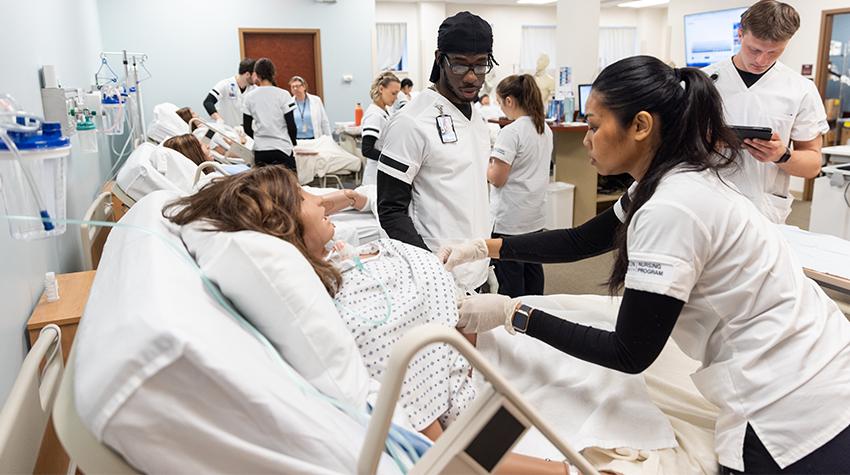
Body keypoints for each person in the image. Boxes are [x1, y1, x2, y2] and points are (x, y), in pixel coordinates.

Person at [441, 55, 850, 474]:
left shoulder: (672, 207)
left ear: (640, 125)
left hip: (791, 404)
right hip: (816, 358)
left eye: (595, 126)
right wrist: (483, 248)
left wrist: (514, 313)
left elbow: (628, 352)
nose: (587, 139)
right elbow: (582, 240)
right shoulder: (666, 180)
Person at [163, 166, 583, 475]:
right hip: (458, 371)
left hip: (459, 331)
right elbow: (445, 456)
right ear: (281, 223)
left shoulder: (333, 258)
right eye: (305, 196)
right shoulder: (363, 326)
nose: (318, 199)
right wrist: (568, 470)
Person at [377, 11, 497, 293]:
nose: (472, 77)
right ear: (439, 59)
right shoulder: (412, 122)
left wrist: (487, 263)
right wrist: (431, 270)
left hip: (477, 270)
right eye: (460, 65)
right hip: (436, 277)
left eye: (481, 65)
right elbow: (390, 209)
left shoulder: (478, 120)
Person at [703, 0, 828, 224]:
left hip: (764, 210)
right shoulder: (703, 81)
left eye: (774, 52)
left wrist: (781, 155)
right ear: (740, 34)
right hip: (705, 202)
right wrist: (704, 141)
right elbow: (668, 146)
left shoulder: (801, 89)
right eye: (754, 50)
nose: (761, 60)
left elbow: (813, 165)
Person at [488, 74, 552, 297]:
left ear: (509, 101)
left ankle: (512, 318)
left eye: (499, 102)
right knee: (533, 273)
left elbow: (497, 178)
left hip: (510, 220)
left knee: (510, 281)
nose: (500, 107)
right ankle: (536, 314)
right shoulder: (544, 129)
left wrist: (485, 165)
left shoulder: (511, 132)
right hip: (534, 216)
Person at [242, 58, 298, 170]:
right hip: (282, 149)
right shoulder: (283, 95)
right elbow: (291, 126)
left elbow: (247, 128)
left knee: (262, 182)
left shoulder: (249, 97)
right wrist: (293, 143)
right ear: (273, 73)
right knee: (289, 181)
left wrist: (259, 138)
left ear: (256, 75)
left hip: (261, 152)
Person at [361, 72, 400, 186]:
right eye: (393, 93)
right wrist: (393, 161)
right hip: (375, 176)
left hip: (382, 172)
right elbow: (367, 150)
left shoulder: (384, 111)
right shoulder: (375, 115)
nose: (396, 98)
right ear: (381, 89)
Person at [203, 58, 256, 128]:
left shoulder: (254, 89)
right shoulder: (225, 84)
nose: (256, 78)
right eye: (255, 75)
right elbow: (208, 102)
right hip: (226, 130)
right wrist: (218, 118)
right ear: (247, 74)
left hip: (244, 131)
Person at [289, 75, 331, 140]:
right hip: (296, 139)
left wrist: (329, 138)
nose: (295, 89)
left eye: (297, 86)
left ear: (304, 87)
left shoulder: (316, 100)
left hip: (314, 138)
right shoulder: (289, 103)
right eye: (293, 87)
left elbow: (324, 121)